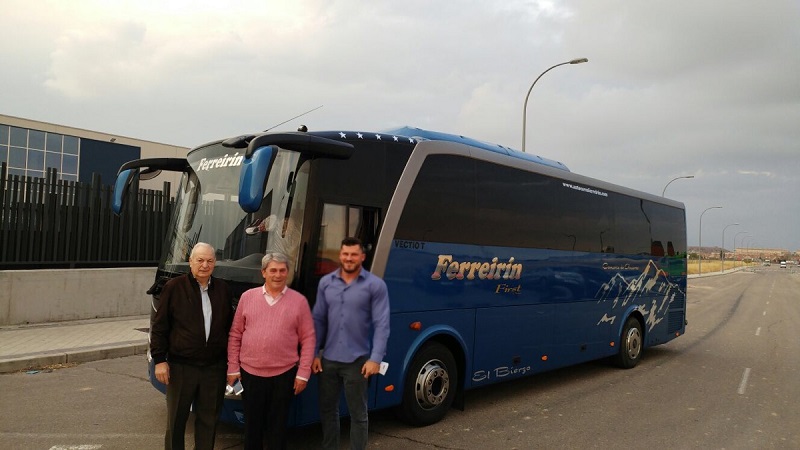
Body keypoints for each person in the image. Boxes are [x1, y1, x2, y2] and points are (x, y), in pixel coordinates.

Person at [227, 253, 316, 450]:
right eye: (273, 270)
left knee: (278, 429)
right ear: (263, 273)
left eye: (282, 270)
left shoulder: (299, 301)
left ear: (287, 273)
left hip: (284, 375)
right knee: (252, 429)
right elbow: (235, 334)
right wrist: (233, 367)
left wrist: (303, 373)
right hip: (250, 375)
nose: (278, 275)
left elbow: (308, 339)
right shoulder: (247, 297)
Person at [150, 242, 233, 450]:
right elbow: (160, 327)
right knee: (177, 420)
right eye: (200, 260)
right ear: (190, 262)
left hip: (214, 368)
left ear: (215, 263)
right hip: (181, 367)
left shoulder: (222, 289)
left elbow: (229, 328)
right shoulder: (174, 287)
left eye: (210, 261)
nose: (205, 265)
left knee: (209, 421)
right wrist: (160, 360)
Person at [312, 237, 391, 450]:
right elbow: (318, 319)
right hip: (327, 360)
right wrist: (315, 354)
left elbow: (382, 325)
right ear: (340, 255)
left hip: (357, 362)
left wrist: (375, 359)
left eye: (354, 254)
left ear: (362, 257)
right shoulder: (326, 283)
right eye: (345, 254)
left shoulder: (376, 286)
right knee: (328, 412)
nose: (349, 258)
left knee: (358, 414)